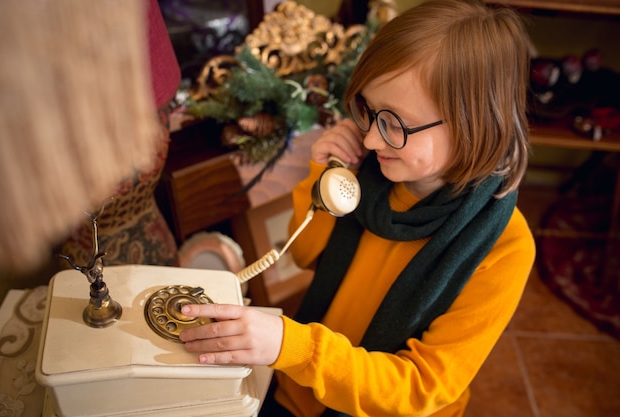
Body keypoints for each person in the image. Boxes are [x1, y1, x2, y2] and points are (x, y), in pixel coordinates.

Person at [178, 0, 536, 416]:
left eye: (395, 123)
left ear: (473, 125)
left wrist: (291, 346)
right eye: (368, 110)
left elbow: (420, 387)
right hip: (298, 390)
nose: (369, 140)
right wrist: (326, 176)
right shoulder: (366, 172)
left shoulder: (504, 248)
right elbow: (304, 253)